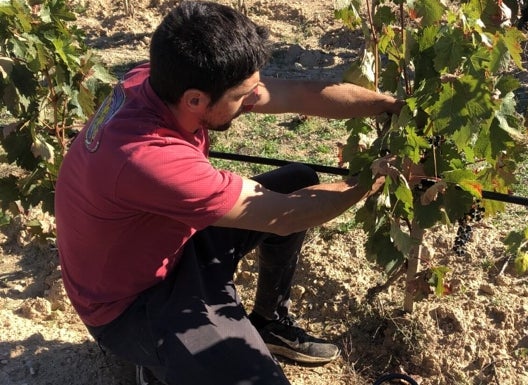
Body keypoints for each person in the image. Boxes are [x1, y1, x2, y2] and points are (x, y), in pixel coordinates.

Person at [54, 1, 402, 385]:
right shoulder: (148, 158)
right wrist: (371, 180)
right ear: (196, 100)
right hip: (133, 303)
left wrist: (388, 106)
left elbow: (298, 95)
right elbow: (287, 216)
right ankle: (153, 363)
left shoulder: (161, 79)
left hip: (165, 241)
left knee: (299, 180)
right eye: (242, 96)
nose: (253, 100)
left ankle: (270, 324)